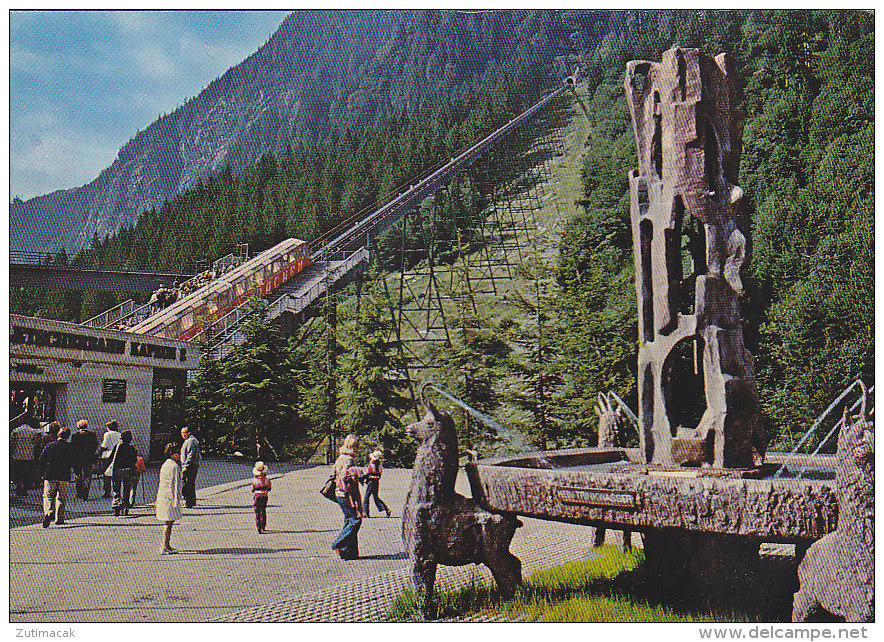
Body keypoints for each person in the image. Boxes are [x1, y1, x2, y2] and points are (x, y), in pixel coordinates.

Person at [331, 434, 362, 560]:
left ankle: (348, 552)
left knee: (348, 520)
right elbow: (345, 475)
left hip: (339, 493)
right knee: (355, 520)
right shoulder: (349, 459)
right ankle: (339, 543)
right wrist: (356, 474)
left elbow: (333, 473)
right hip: (347, 493)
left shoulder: (340, 458)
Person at [39, 426, 73, 528]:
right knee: (61, 497)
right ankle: (59, 518)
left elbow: (41, 459)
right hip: (64, 475)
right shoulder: (70, 447)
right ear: (68, 436)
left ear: (58, 434)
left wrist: (42, 473)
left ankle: (48, 512)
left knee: (48, 496)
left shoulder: (50, 445)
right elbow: (74, 460)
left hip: (50, 474)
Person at [156, 443, 183, 554]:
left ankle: (167, 544)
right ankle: (164, 545)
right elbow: (176, 485)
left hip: (164, 496)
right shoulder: (174, 466)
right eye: (177, 453)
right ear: (172, 454)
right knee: (168, 523)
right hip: (170, 498)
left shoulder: (165, 464)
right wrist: (177, 500)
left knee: (169, 522)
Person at [11, 417, 41, 495]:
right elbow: (36, 442)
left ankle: (18, 486)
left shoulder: (16, 431)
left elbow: (12, 443)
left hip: (17, 455)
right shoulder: (33, 432)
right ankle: (24, 489)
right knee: (27, 473)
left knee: (18, 472)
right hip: (29, 456)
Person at [110, 430, 138, 516]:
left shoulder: (118, 447)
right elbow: (134, 460)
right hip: (128, 470)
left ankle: (116, 504)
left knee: (116, 488)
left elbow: (112, 458)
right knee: (127, 489)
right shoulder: (132, 448)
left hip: (117, 470)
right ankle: (126, 506)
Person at [70, 419, 98, 500]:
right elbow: (95, 445)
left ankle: (79, 492)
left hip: (78, 458)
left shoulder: (75, 436)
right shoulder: (92, 435)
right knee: (87, 475)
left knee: (78, 475)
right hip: (88, 458)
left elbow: (73, 447)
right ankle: (86, 490)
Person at [362, 450, 392, 518]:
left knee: (366, 497)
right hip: (376, 482)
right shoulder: (380, 467)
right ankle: (386, 508)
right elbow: (379, 475)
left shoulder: (370, 466)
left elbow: (367, 473)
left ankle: (365, 512)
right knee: (376, 497)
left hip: (371, 482)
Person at [99, 421, 122, 498]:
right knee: (115, 474)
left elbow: (104, 445)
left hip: (107, 455)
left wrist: (99, 452)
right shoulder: (119, 434)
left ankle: (107, 491)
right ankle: (116, 491)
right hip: (117, 456)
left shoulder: (107, 434)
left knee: (106, 474)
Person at [180, 426, 201, 508]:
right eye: (182, 433)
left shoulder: (190, 441)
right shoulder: (191, 440)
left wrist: (185, 466)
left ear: (189, 433)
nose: (183, 434)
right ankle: (192, 501)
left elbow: (190, 455)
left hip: (190, 465)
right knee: (190, 483)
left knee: (188, 483)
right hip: (192, 465)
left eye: (184, 432)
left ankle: (188, 502)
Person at [251, 461, 272, 534]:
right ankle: (263, 525)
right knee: (263, 510)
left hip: (257, 495)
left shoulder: (254, 481)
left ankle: (258, 526)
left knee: (257, 510)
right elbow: (269, 488)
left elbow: (253, 489)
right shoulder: (268, 480)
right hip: (265, 495)